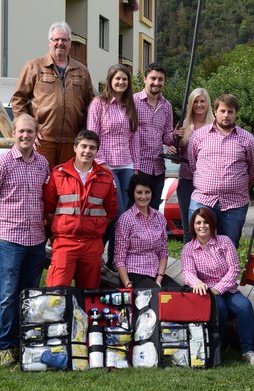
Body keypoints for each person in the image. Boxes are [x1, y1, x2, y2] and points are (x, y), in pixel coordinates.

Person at [0, 113, 50, 367]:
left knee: (30, 294)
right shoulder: (1, 164)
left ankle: (26, 342)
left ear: (35, 134)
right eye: (21, 131)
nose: (25, 135)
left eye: (30, 131)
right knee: (8, 294)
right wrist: (3, 220)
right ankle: (6, 346)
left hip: (37, 240)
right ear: (13, 133)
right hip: (10, 239)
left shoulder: (42, 163)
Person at [181, 207, 254, 367]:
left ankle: (248, 350)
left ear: (212, 224)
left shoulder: (224, 242)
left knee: (245, 306)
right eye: (198, 222)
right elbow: (187, 272)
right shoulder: (188, 248)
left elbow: (234, 269)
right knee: (221, 308)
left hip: (226, 288)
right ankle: (218, 347)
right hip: (205, 292)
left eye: (205, 222)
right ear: (193, 226)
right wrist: (197, 283)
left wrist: (219, 288)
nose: (202, 226)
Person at [11, 21, 94, 169]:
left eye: (64, 40)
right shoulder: (34, 66)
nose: (60, 43)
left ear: (70, 43)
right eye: (56, 39)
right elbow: (18, 100)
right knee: (42, 183)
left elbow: (91, 105)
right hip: (43, 140)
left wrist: (84, 133)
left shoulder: (82, 71)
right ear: (49, 42)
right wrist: (28, 130)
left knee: (66, 185)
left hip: (72, 141)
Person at [43, 130, 118, 289]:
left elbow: (110, 211)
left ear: (97, 151)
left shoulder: (106, 176)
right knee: (56, 291)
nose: (87, 151)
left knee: (89, 293)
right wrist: (59, 230)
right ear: (75, 148)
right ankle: (61, 315)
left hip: (92, 242)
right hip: (65, 241)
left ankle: (83, 315)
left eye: (92, 148)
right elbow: (49, 209)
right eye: (83, 146)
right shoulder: (58, 174)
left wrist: (95, 227)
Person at [187, 94, 254, 248]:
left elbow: (253, 170)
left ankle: (228, 272)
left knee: (229, 247)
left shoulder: (247, 139)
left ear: (236, 113)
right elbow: (193, 165)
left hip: (235, 203)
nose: (226, 115)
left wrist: (234, 185)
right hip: (203, 200)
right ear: (215, 111)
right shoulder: (199, 136)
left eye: (230, 112)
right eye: (223, 111)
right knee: (199, 245)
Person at [87, 64, 139, 265]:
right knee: (115, 212)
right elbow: (93, 135)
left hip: (126, 164)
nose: (121, 82)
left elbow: (133, 138)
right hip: (105, 165)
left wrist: (135, 166)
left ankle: (115, 261)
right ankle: (96, 253)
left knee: (125, 215)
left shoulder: (130, 105)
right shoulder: (99, 104)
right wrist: (100, 163)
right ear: (110, 80)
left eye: (124, 79)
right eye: (117, 79)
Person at [113, 174, 180, 289]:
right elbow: (119, 259)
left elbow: (163, 252)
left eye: (147, 192)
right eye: (139, 192)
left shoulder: (159, 217)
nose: (143, 196)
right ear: (133, 194)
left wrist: (159, 278)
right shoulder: (125, 219)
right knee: (157, 298)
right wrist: (128, 285)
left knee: (181, 295)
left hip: (156, 273)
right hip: (134, 273)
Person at [133, 62, 175, 210]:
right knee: (135, 210)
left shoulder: (167, 106)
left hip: (158, 168)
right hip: (137, 166)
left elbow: (167, 136)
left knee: (154, 210)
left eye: (160, 79)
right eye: (153, 78)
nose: (157, 83)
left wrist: (175, 137)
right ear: (145, 79)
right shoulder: (133, 102)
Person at [176, 88, 215, 243]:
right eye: (195, 102)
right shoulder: (184, 125)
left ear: (208, 103)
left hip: (208, 183)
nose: (199, 105)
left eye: (202, 101)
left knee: (207, 226)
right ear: (191, 104)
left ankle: (206, 262)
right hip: (186, 180)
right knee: (189, 226)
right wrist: (175, 145)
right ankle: (188, 264)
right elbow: (177, 157)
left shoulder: (215, 125)